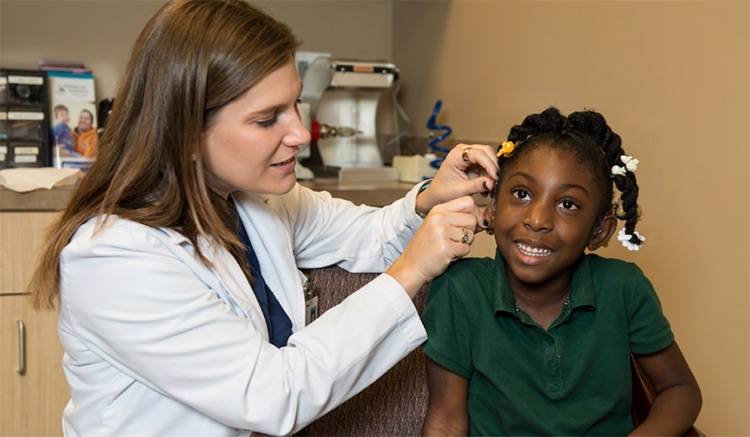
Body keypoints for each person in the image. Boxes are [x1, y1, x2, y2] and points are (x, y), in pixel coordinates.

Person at [27, 0, 498, 436]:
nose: (299, 133)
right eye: (267, 118)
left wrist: (427, 199)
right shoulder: (114, 258)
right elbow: (273, 394)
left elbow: (364, 233)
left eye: (295, 104)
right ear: (187, 130)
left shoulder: (253, 198)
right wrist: (412, 270)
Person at [420, 107, 702, 437]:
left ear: (599, 230)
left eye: (567, 204)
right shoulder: (461, 289)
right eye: (522, 194)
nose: (537, 219)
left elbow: (680, 389)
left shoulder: (623, 288)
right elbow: (446, 421)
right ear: (492, 208)